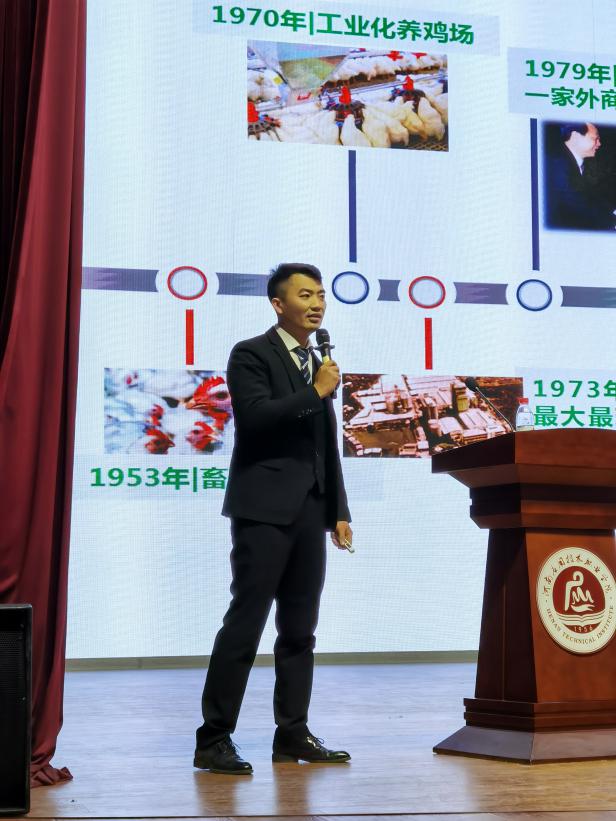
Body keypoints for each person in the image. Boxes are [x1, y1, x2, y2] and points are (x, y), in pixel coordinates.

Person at [194, 263, 353, 774]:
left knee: (301, 629)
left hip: (310, 511)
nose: (317, 304)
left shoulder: (318, 361)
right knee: (246, 624)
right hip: (262, 509)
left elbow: (325, 443)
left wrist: (339, 510)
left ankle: (292, 734)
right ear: (278, 304)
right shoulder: (251, 354)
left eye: (321, 295)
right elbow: (256, 418)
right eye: (305, 295)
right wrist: (316, 392)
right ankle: (213, 739)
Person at [545, 122, 615, 231]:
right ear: (575, 136)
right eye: (595, 138)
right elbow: (575, 207)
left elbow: (589, 197)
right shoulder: (558, 165)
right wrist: (612, 221)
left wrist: (612, 212)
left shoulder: (570, 160)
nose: (599, 143)